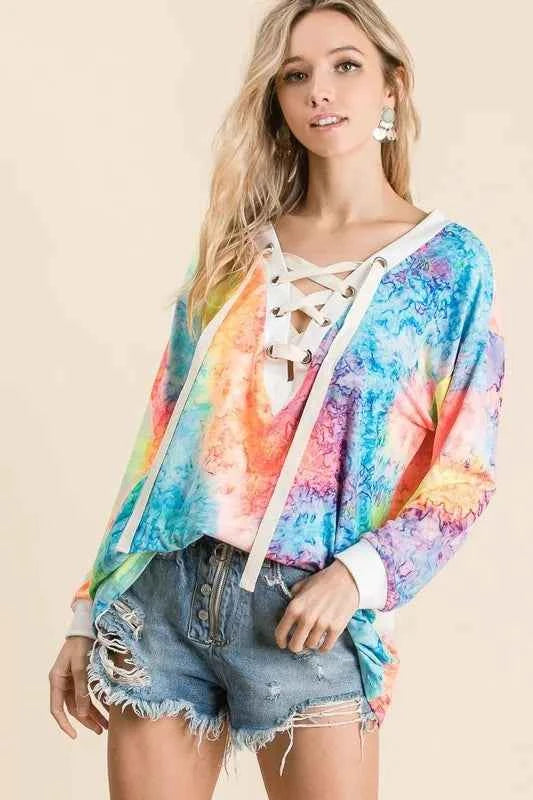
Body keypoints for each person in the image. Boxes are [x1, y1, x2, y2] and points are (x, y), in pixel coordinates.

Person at [48, 2, 505, 799]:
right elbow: (160, 438)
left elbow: (464, 474)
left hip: (309, 615)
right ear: (277, 97)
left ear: (392, 86)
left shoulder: (446, 265)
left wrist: (359, 577)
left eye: (344, 65)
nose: (319, 90)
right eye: (295, 75)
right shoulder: (236, 249)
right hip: (163, 601)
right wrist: (89, 607)